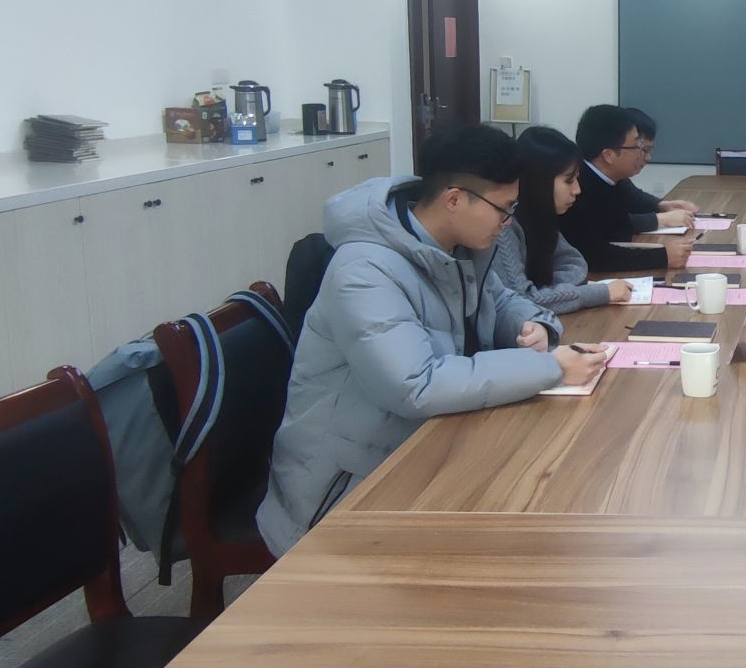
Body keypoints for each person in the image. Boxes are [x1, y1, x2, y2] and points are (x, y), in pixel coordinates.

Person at [259, 124, 609, 555]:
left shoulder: (459, 246)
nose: (507, 223)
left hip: (428, 445)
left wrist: (532, 325)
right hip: (346, 489)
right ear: (454, 200)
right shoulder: (364, 272)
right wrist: (550, 365)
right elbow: (417, 385)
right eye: (503, 209)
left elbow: (501, 300)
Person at [493, 125, 636, 312]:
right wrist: (601, 293)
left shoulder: (540, 216)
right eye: (569, 180)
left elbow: (575, 262)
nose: (577, 190)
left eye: (577, 179)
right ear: (539, 181)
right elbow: (522, 301)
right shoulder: (503, 226)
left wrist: (551, 292)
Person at [560, 104, 697, 273]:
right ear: (609, 155)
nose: (642, 154)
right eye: (636, 147)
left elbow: (621, 224)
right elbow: (593, 256)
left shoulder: (609, 178)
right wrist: (663, 257)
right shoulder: (578, 188)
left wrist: (661, 207)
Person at [617, 107, 697, 222]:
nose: (648, 158)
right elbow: (609, 224)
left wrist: (661, 205)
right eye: (643, 149)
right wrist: (660, 219)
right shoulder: (591, 180)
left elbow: (632, 197)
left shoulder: (618, 178)